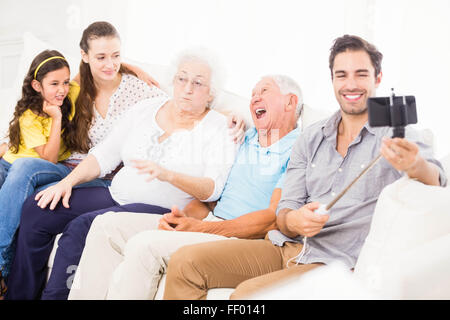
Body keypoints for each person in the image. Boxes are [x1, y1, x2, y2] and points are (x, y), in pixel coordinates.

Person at [162, 35, 447, 300]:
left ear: (378, 78)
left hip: (334, 261)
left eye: (361, 74)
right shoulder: (311, 137)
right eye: (341, 75)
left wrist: (415, 164)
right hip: (285, 246)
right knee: (185, 263)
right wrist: (294, 220)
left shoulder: (398, 134)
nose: (351, 84)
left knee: (248, 297)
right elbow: (285, 211)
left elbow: (436, 178)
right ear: (332, 80)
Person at [5, 47, 239, 300]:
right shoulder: (147, 108)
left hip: (158, 208)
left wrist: (169, 175)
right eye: (182, 78)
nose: (188, 88)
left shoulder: (221, 128)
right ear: (173, 80)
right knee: (37, 208)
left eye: (198, 82)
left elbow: (212, 188)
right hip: (114, 194)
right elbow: (105, 154)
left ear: (212, 92)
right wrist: (67, 183)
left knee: (81, 227)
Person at [64, 74, 303, 300]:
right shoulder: (245, 137)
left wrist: (204, 228)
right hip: (209, 221)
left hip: (241, 238)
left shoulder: (300, 150)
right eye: (252, 94)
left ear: (290, 102)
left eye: (264, 91)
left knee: (144, 246)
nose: (254, 98)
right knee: (105, 226)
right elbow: (213, 196)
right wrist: (183, 217)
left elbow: (273, 218)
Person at [0, 21, 166, 297]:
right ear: (85, 56)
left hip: (98, 177)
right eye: (100, 57)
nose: (109, 64)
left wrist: (226, 119)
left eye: (116, 56)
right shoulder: (77, 87)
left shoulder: (139, 92)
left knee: (28, 179)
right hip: (64, 168)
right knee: (14, 179)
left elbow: (178, 106)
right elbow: (48, 94)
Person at [0, 50, 81, 295]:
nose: (62, 89)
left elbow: (50, 158)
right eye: (54, 84)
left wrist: (56, 118)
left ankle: (1, 265)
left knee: (24, 170)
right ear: (37, 85)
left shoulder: (71, 93)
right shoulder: (29, 115)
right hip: (10, 163)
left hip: (44, 167)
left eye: (65, 82)